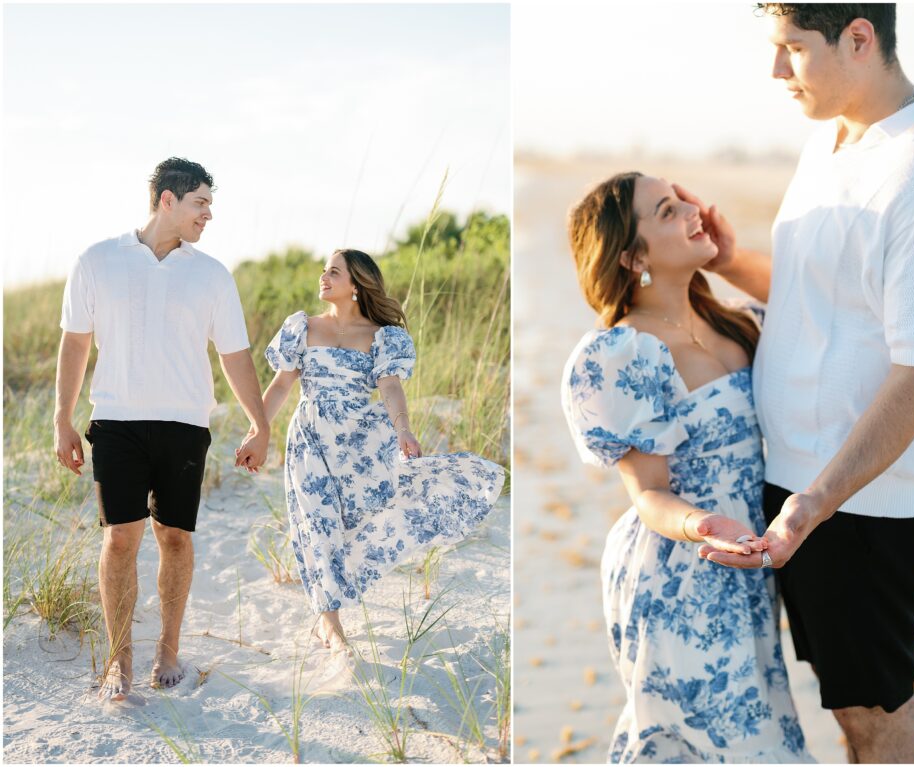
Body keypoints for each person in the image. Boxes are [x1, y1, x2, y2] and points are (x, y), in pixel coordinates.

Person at [692, 4, 914, 763]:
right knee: (845, 703)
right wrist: (732, 261)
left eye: (791, 50)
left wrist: (817, 502)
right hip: (801, 483)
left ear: (858, 38)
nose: (775, 71)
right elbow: (821, 292)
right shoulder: (833, 137)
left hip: (862, 504)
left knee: (875, 712)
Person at [561, 172, 812, 763]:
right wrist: (704, 524)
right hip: (681, 573)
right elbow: (648, 494)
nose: (694, 211)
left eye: (684, 201)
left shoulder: (732, 322)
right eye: (669, 211)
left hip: (748, 569)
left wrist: (724, 258)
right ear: (631, 255)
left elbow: (815, 303)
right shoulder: (624, 353)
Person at [54, 157, 271, 703]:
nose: (208, 214)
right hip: (117, 422)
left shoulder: (212, 274)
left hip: (184, 424)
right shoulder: (97, 260)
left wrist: (258, 423)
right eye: (200, 203)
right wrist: (62, 417)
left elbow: (234, 354)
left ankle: (168, 650)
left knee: (174, 536)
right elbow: (76, 342)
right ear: (167, 200)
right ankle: (119, 660)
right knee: (120, 538)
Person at [256, 248, 504, 654]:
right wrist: (258, 431)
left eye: (333, 272)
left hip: (358, 442)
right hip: (309, 439)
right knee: (317, 525)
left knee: (354, 522)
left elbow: (389, 386)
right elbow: (282, 385)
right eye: (324, 270)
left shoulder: (380, 336)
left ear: (356, 285)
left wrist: (403, 429)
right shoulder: (302, 327)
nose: (324, 276)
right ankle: (330, 621)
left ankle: (329, 608)